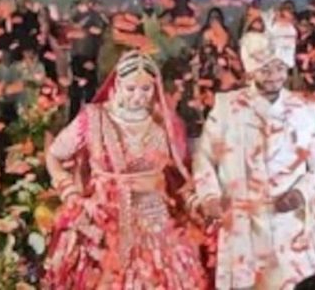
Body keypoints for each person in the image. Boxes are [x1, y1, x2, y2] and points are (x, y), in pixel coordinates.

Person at [193, 19, 315, 289]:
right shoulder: (227, 107)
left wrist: (302, 192)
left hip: (289, 220)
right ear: (251, 71)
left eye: (280, 68)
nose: (273, 76)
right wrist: (210, 196)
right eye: (265, 69)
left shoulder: (304, 109)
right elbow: (204, 158)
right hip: (242, 219)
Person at [44, 50, 207, 289]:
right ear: (117, 84)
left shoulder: (165, 123)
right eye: (131, 88)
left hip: (154, 224)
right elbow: (54, 155)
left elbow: (179, 174)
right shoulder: (94, 118)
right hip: (103, 220)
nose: (138, 96)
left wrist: (197, 200)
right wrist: (69, 191)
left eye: (146, 89)